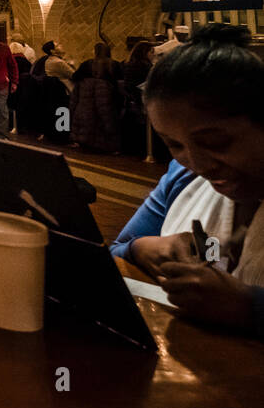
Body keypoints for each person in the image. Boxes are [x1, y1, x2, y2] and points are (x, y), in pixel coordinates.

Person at [110, 24, 264, 339]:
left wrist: (249, 306)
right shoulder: (183, 178)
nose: (198, 163)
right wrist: (146, 248)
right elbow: (118, 250)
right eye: (174, 145)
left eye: (217, 143)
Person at [70, 42, 122, 153]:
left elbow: (75, 77)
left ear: (96, 51)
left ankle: (86, 142)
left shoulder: (87, 64)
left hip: (86, 101)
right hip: (108, 99)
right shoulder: (114, 64)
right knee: (106, 120)